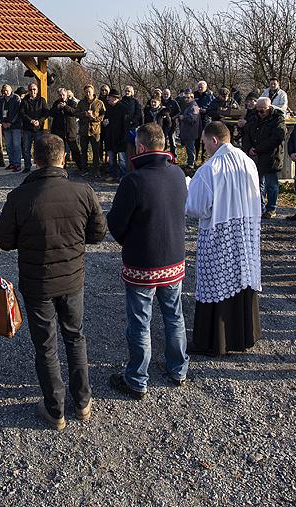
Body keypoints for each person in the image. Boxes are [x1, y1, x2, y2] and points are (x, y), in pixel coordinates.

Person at [0, 134, 107, 430]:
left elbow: (4, 240)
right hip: (72, 278)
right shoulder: (83, 192)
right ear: (63, 158)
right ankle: (82, 401)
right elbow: (98, 233)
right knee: (75, 336)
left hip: (38, 282)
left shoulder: (20, 197)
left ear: (35, 159)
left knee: (46, 345)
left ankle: (55, 408)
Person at [106, 124, 189, 397]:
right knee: (174, 316)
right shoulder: (178, 173)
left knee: (140, 322)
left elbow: (116, 224)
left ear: (140, 148)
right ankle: (178, 369)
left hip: (142, 262)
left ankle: (137, 379)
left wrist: (129, 242)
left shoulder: (133, 180)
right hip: (174, 259)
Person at [186, 121, 262, 355]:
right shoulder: (247, 162)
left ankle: (214, 341)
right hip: (245, 231)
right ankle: (243, 336)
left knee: (217, 282)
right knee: (241, 279)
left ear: (214, 140)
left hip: (220, 235)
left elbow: (196, 208)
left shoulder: (210, 169)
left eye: (205, 142)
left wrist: (188, 188)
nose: (204, 147)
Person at [241, 97, 286, 219]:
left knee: (271, 185)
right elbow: (246, 134)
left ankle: (271, 208)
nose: (260, 112)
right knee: (257, 183)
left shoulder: (278, 119)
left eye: (263, 110)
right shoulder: (254, 117)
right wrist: (248, 148)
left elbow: (277, 137)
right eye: (258, 109)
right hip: (256, 155)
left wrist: (258, 149)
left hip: (272, 155)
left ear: (269, 107)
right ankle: (259, 207)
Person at [76, 84, 105, 175]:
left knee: (96, 151)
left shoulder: (99, 103)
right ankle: (84, 169)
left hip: (95, 131)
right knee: (84, 151)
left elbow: (103, 115)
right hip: (84, 130)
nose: (88, 93)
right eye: (86, 92)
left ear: (93, 92)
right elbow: (76, 114)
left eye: (89, 92)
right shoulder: (81, 103)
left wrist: (94, 117)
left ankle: (96, 170)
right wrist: (84, 114)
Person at [20, 83, 49, 173]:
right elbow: (22, 113)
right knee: (26, 149)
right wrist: (30, 121)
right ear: (28, 91)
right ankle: (27, 166)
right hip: (27, 129)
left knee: (39, 149)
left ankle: (39, 166)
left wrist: (39, 121)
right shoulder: (24, 101)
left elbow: (46, 113)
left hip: (38, 129)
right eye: (30, 89)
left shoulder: (42, 100)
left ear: (37, 90)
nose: (32, 91)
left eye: (34, 89)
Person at [102, 89, 130, 182]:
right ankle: (113, 175)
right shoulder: (109, 108)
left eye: (109, 97)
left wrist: (123, 137)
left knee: (122, 160)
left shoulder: (123, 108)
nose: (108, 99)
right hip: (110, 137)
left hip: (120, 137)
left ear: (115, 98)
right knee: (111, 159)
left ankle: (123, 177)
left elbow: (126, 125)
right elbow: (105, 120)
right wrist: (105, 123)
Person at [49, 87, 80, 166]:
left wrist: (65, 107)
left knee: (74, 149)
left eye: (63, 95)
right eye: (60, 95)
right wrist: (58, 108)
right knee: (60, 150)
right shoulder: (56, 103)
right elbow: (51, 113)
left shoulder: (72, 102)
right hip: (59, 130)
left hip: (70, 130)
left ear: (66, 94)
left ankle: (81, 166)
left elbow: (75, 112)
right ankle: (62, 166)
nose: (62, 96)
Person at [179, 93, 202, 170]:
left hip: (191, 131)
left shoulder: (195, 106)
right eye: (185, 97)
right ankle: (190, 162)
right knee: (189, 148)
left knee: (190, 148)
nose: (186, 99)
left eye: (188, 97)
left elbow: (193, 119)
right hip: (187, 131)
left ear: (192, 97)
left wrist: (183, 117)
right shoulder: (188, 106)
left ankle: (191, 164)